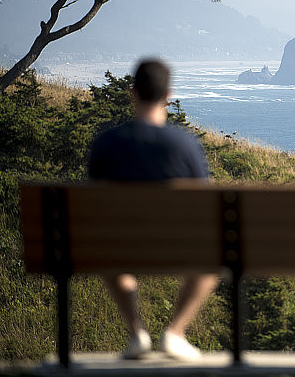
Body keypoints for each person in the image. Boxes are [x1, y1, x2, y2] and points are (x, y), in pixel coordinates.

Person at [88, 59, 218, 361]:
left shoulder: (106, 143)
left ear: (132, 92)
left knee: (110, 254)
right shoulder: (184, 144)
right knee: (214, 258)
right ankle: (174, 333)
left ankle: (136, 333)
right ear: (167, 96)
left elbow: (93, 203)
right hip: (178, 248)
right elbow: (205, 203)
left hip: (118, 248)